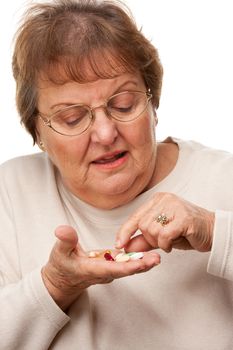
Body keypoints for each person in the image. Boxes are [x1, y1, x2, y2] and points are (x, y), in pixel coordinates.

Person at [0, 0, 232, 349]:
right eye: (73, 118)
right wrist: (54, 284)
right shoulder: (11, 193)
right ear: (37, 132)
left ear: (153, 104)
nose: (106, 133)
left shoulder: (223, 177)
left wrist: (216, 231)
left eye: (124, 104)